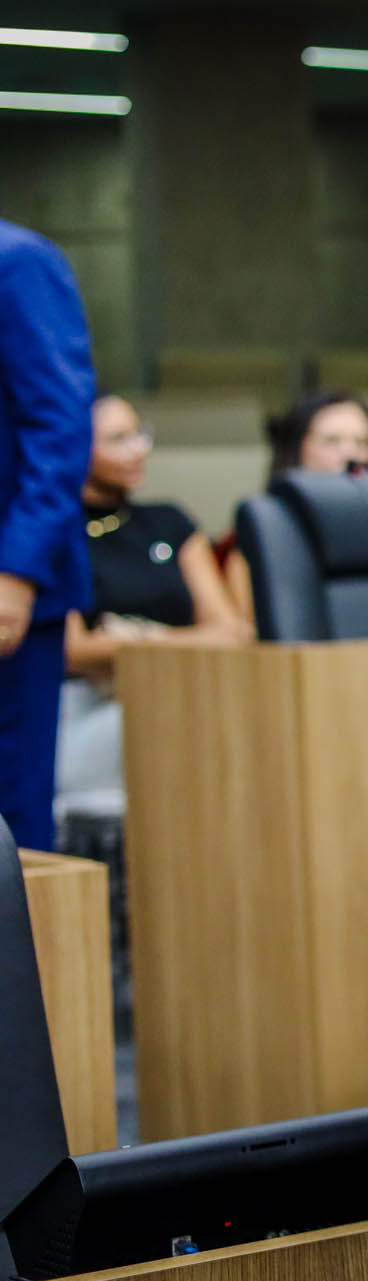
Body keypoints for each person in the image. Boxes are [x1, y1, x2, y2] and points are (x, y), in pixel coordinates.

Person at [55, 396, 253, 811]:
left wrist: (131, 636)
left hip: (183, 696)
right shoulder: (56, 533)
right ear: (74, 444)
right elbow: (72, 650)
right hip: (91, 712)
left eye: (139, 434)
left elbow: (234, 633)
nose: (139, 449)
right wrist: (189, 641)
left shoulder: (169, 521)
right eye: (118, 439)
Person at [0, 217, 96, 853]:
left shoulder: (18, 261)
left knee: (10, 827)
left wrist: (16, 572)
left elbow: (59, 428)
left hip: (9, 591)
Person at [265, 389, 368, 485]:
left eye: (362, 442)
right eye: (332, 440)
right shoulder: (269, 511)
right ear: (296, 447)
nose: (350, 453)